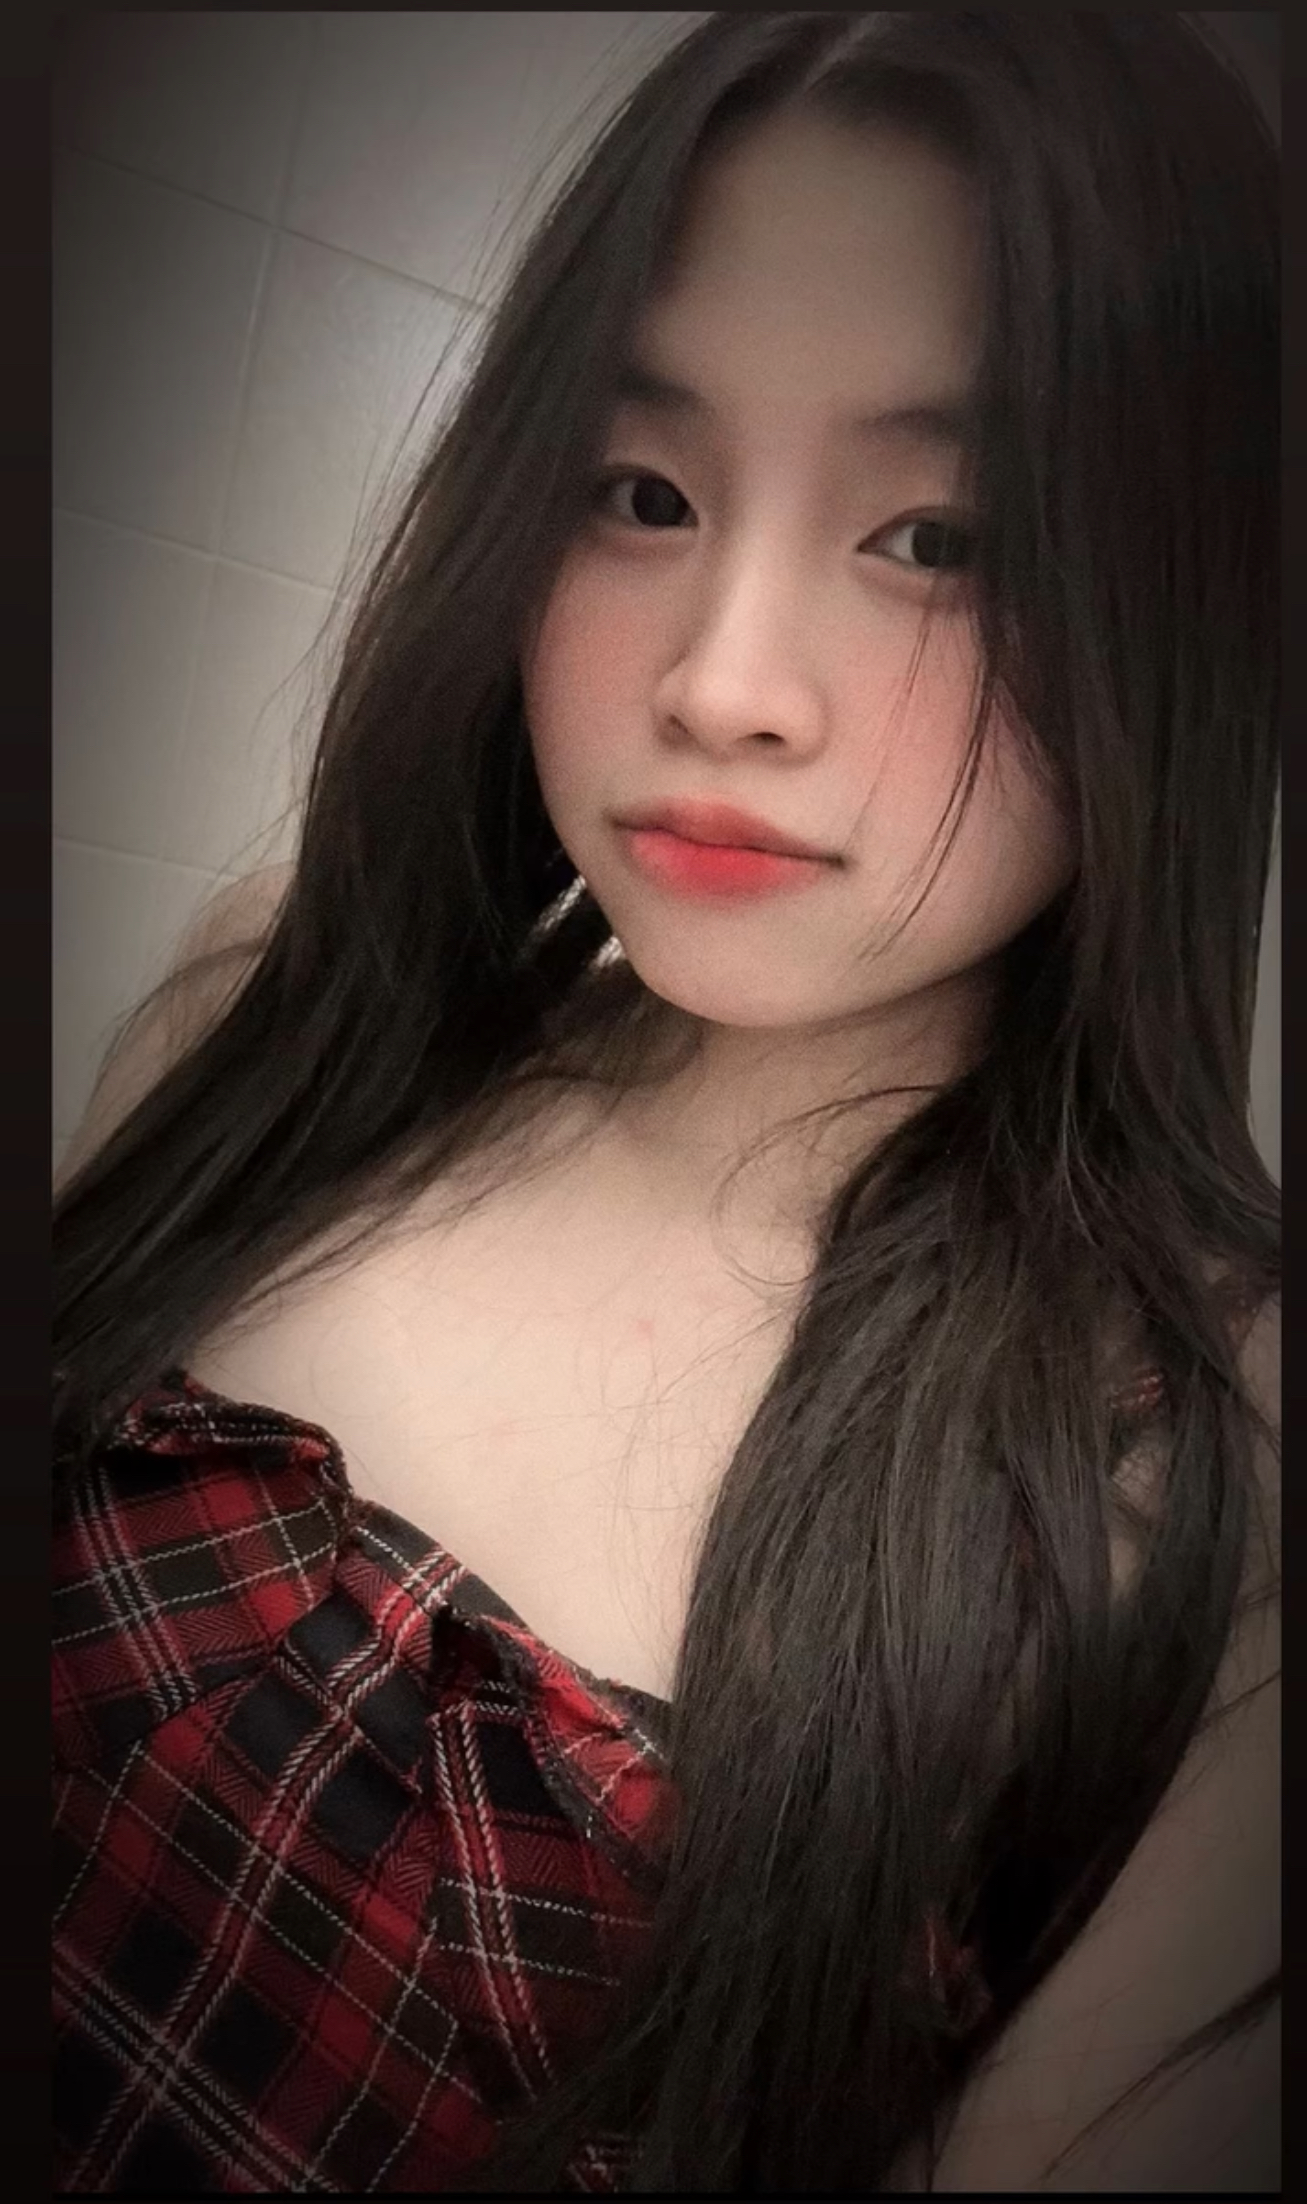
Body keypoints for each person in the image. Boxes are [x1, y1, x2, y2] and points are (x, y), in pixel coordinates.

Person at [52, 11, 1280, 2194]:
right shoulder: (281, 1015)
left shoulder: (1196, 1469)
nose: (722, 683)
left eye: (940, 537)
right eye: (644, 494)